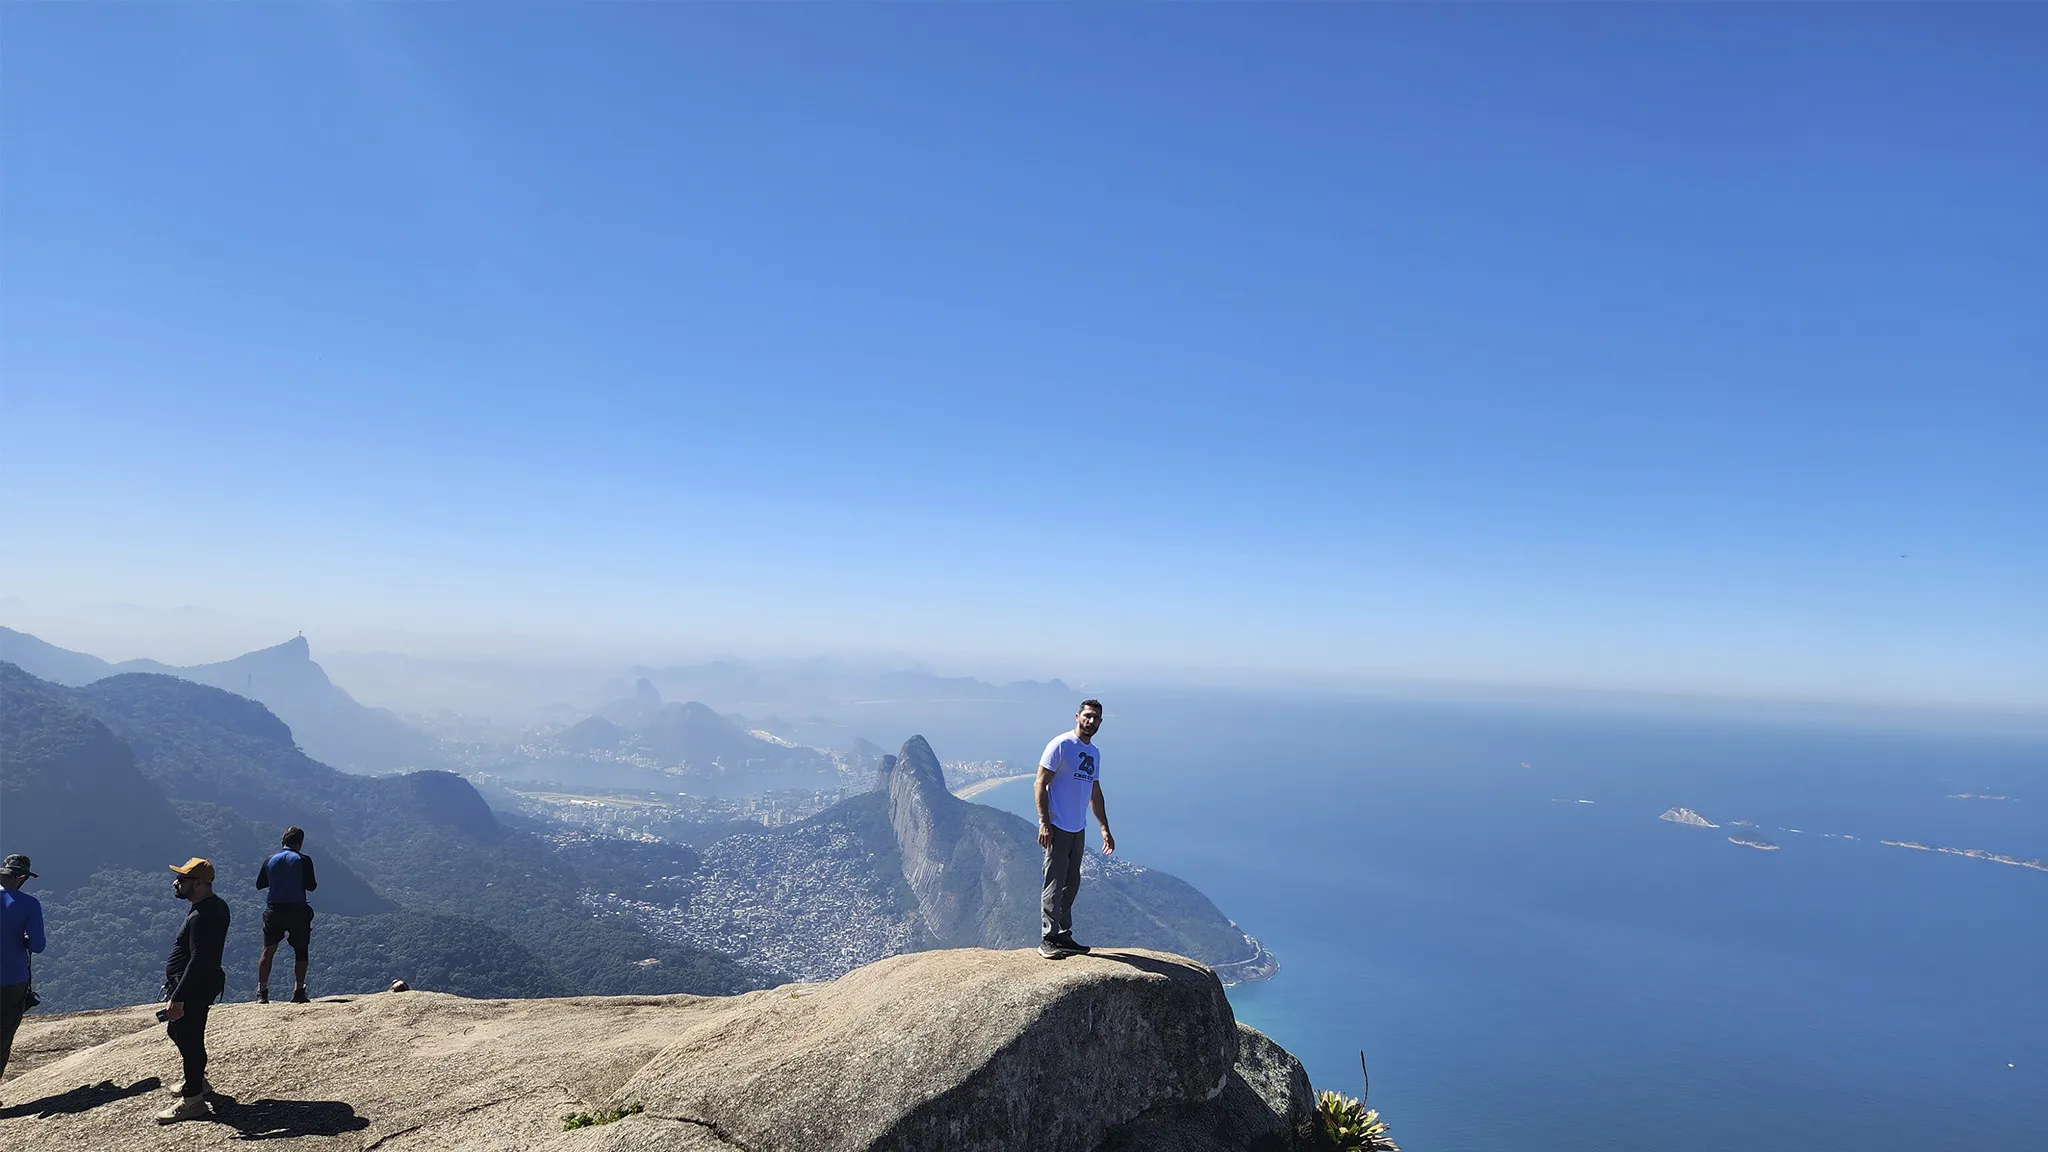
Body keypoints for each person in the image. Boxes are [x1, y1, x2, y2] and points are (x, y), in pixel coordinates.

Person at [1035, 700, 1115, 959]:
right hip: (1057, 826)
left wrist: (1104, 827)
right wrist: (1044, 822)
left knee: (1072, 883)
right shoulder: (1061, 745)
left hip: (1077, 828)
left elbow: (1095, 791)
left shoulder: (1094, 754)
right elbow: (1040, 783)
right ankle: (1048, 938)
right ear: (1077, 716)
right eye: (1088, 716)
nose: (1091, 722)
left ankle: (1063, 935)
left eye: (1096, 718)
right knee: (1054, 883)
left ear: (1101, 723)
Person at [158, 857, 230, 1124]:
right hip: (200, 984)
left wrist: (178, 997)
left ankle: (193, 1100)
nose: (175, 883)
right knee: (178, 1031)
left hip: (194, 988)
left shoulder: (202, 915)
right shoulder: (213, 906)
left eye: (182, 879)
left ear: (198, 883)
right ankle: (196, 1080)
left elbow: (198, 959)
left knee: (189, 1037)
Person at [255, 826, 318, 1004]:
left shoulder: (270, 860)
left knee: (268, 950)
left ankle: (262, 992)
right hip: (298, 910)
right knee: (301, 950)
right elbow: (311, 886)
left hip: (274, 910)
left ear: (283, 841)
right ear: (300, 843)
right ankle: (299, 991)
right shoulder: (303, 860)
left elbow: (260, 884)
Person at [1, 854, 47, 1096]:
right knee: (3, 1035)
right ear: (20, 877)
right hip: (12, 979)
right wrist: (22, 940)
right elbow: (38, 945)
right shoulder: (29, 904)